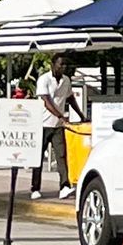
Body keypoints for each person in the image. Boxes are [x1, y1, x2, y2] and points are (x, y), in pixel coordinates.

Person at [32, 52, 84, 198]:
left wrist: (81, 115)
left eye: (65, 65)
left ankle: (64, 186)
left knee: (61, 155)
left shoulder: (66, 80)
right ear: (53, 65)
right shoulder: (44, 79)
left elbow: (70, 99)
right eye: (61, 64)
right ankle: (35, 188)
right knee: (38, 157)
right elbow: (46, 102)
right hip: (42, 124)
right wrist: (61, 116)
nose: (64, 67)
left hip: (57, 126)